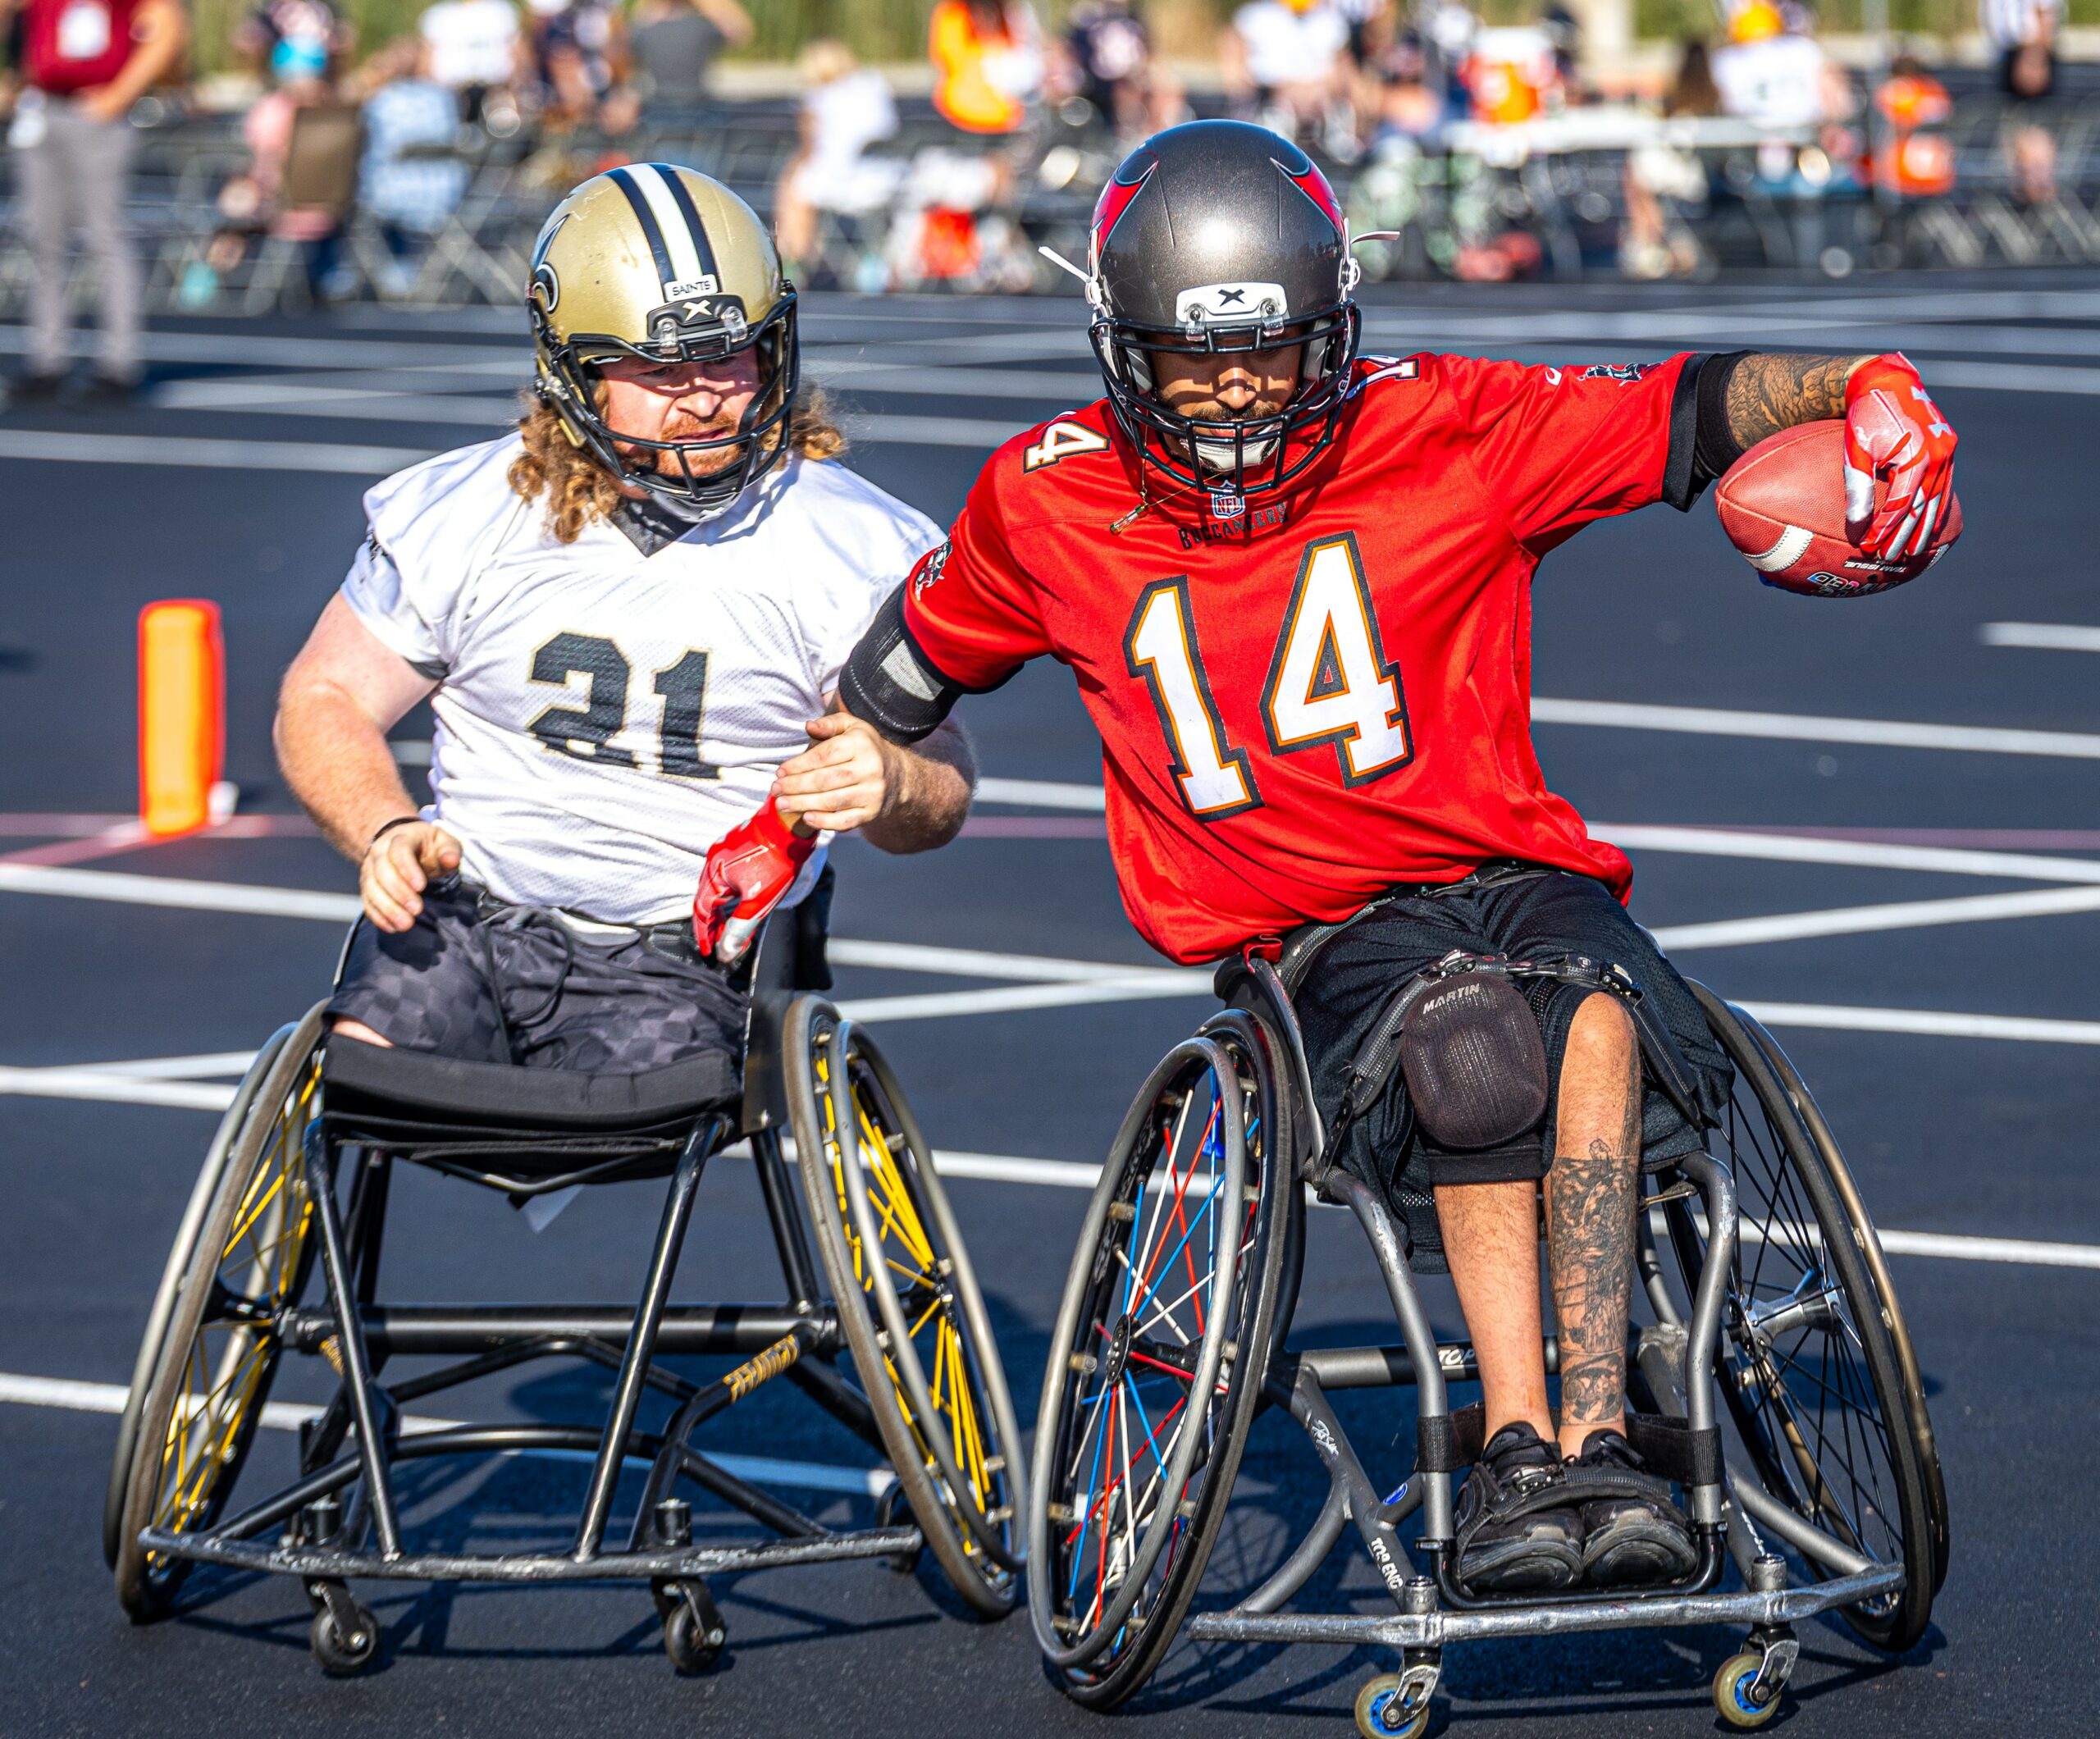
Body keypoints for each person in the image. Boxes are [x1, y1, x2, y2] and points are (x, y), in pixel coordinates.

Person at [824, 121, 1961, 1592]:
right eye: (1193, 359)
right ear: (1121, 348)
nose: (1236, 396)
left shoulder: (1444, 419)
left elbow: (1692, 409)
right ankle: (1512, 1445)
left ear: (1336, 328)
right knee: (1476, 1043)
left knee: (1597, 1003)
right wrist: (846, 772)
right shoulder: (1045, 498)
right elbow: (901, 675)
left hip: (1510, 873)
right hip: (1304, 927)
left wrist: (1864, 390)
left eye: (1273, 354)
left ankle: (1605, 1440)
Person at [275, 166, 974, 1077]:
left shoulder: (855, 543)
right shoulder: (466, 512)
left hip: (689, 947)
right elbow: (323, 694)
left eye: (730, 352)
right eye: (657, 366)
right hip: (469, 920)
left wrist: (893, 783)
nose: (704, 393)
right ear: (575, 373)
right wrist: (382, 828)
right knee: (361, 1067)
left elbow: (940, 781)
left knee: (650, 1095)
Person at [5, 0, 186, 404]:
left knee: (106, 238)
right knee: (41, 238)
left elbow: (168, 24)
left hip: (97, 114)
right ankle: (46, 361)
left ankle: (118, 364)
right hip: (43, 108)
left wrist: (122, 92)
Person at [772, 39, 903, 288]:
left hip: (843, 179)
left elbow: (808, 148)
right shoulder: (873, 84)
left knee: (794, 184)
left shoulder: (818, 96)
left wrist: (791, 171)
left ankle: (793, 259)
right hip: (885, 175)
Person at [628, 0, 747, 116]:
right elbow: (739, 31)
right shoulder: (702, 28)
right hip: (700, 108)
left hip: (659, 109)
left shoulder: (646, 32)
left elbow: (629, 36)